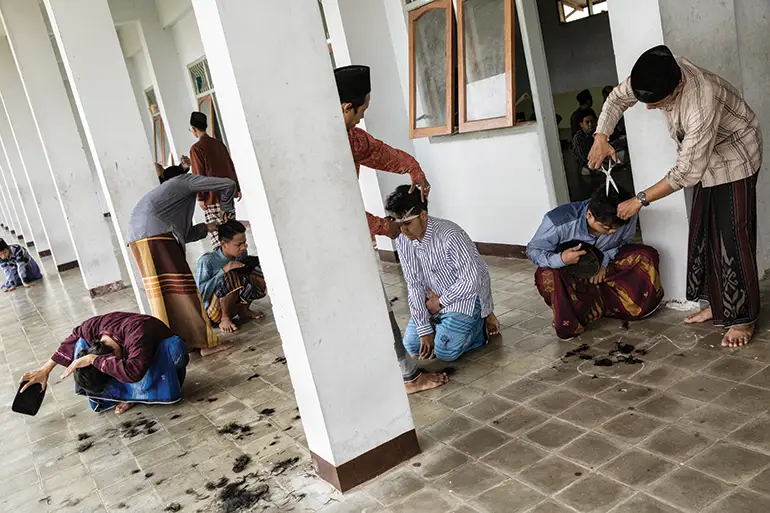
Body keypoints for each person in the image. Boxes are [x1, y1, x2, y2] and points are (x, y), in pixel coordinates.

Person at [588, 45, 762, 347]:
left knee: (733, 235)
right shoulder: (656, 72)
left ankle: (743, 318)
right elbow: (617, 98)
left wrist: (640, 199)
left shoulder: (701, 99)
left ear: (678, 86)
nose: (650, 108)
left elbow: (686, 173)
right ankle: (717, 305)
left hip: (735, 155)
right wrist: (601, 136)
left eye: (656, 103)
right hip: (703, 159)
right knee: (704, 230)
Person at [335, 64, 447, 393]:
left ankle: (386, 371)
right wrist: (385, 227)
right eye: (362, 110)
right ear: (346, 107)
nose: (361, 117)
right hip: (335, 245)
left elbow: (380, 153)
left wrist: (414, 169)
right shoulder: (324, 148)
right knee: (372, 308)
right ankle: (408, 378)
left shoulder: (351, 139)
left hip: (351, 241)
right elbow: (339, 210)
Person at [127, 163, 237, 356]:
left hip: (141, 242)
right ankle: (206, 344)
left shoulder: (164, 201)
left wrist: (209, 227)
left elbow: (184, 234)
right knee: (185, 293)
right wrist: (226, 211)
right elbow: (228, 183)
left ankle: (183, 343)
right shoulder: (183, 181)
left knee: (169, 297)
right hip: (158, 240)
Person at [527, 186, 663, 340]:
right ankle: (572, 317)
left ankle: (622, 307)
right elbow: (533, 251)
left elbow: (624, 243)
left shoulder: (627, 214)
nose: (612, 232)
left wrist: (603, 262)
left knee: (646, 255)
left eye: (616, 228)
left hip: (606, 269)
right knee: (547, 274)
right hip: (572, 274)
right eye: (606, 228)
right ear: (589, 215)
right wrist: (561, 259)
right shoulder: (559, 221)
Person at [385, 185, 499, 361]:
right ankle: (444, 326)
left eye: (407, 223)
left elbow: (471, 281)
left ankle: (480, 326)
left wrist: (439, 303)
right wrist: (423, 328)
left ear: (423, 215)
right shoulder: (403, 239)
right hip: (433, 301)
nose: (403, 231)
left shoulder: (451, 235)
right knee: (413, 346)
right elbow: (414, 283)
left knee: (445, 352)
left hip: (465, 298)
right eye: (399, 225)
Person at [18, 312, 188, 415]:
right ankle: (130, 396)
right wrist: (45, 369)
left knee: (174, 349)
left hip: (160, 358)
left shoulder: (137, 335)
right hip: (131, 355)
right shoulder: (92, 327)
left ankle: (138, 394)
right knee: (79, 344)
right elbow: (71, 340)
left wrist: (94, 359)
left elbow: (134, 372)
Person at [196, 220, 267, 334]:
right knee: (231, 275)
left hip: (234, 304)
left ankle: (244, 310)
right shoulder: (207, 261)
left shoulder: (241, 254)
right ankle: (224, 319)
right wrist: (223, 271)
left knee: (256, 269)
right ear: (224, 244)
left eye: (244, 242)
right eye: (238, 244)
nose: (243, 247)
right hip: (213, 313)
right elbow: (200, 295)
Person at [189, 111, 242, 248]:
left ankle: (226, 267)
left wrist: (200, 197)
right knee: (232, 232)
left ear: (194, 130)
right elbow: (229, 165)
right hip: (227, 195)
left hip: (211, 197)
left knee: (218, 235)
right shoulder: (219, 144)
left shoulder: (196, 149)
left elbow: (198, 175)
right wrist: (237, 188)